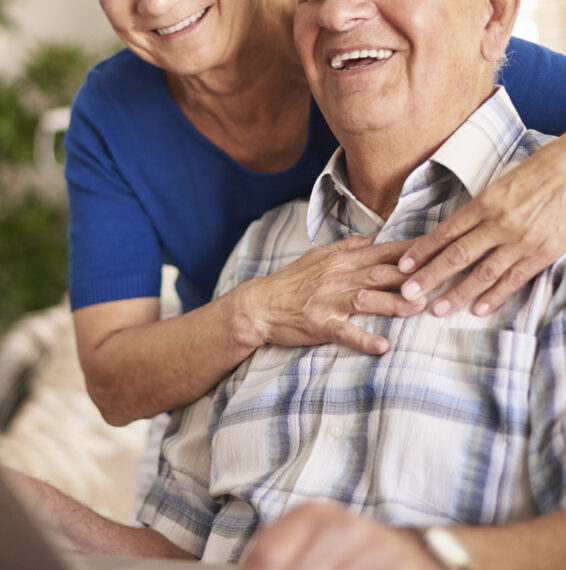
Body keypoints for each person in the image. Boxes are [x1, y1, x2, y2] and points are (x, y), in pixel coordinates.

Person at [22, 0, 566, 567]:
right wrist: (47, 518)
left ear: (494, 15)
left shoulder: (548, 226)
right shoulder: (258, 250)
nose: (337, 13)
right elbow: (179, 550)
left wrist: (427, 556)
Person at [67, 0, 566, 429]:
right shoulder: (111, 111)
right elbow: (112, 382)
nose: (156, 5)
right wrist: (255, 312)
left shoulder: (387, 43)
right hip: (231, 409)